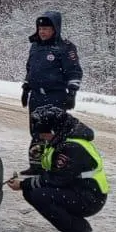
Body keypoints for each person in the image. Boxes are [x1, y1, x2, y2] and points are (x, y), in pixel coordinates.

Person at [6, 105, 109, 232]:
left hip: (90, 196)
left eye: (43, 134)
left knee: (39, 195)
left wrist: (23, 184)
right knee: (32, 191)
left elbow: (56, 178)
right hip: (77, 189)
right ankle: (71, 227)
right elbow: (52, 173)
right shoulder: (61, 139)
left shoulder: (72, 147)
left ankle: (79, 231)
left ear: (54, 130)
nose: (41, 137)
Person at [21, 11, 83, 173]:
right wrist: (26, 88)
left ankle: (54, 166)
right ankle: (36, 166)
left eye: (46, 29)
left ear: (55, 29)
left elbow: (74, 72)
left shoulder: (65, 48)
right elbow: (30, 69)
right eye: (40, 28)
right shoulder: (35, 46)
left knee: (52, 133)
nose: (42, 32)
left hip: (55, 96)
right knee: (36, 131)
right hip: (36, 96)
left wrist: (72, 93)